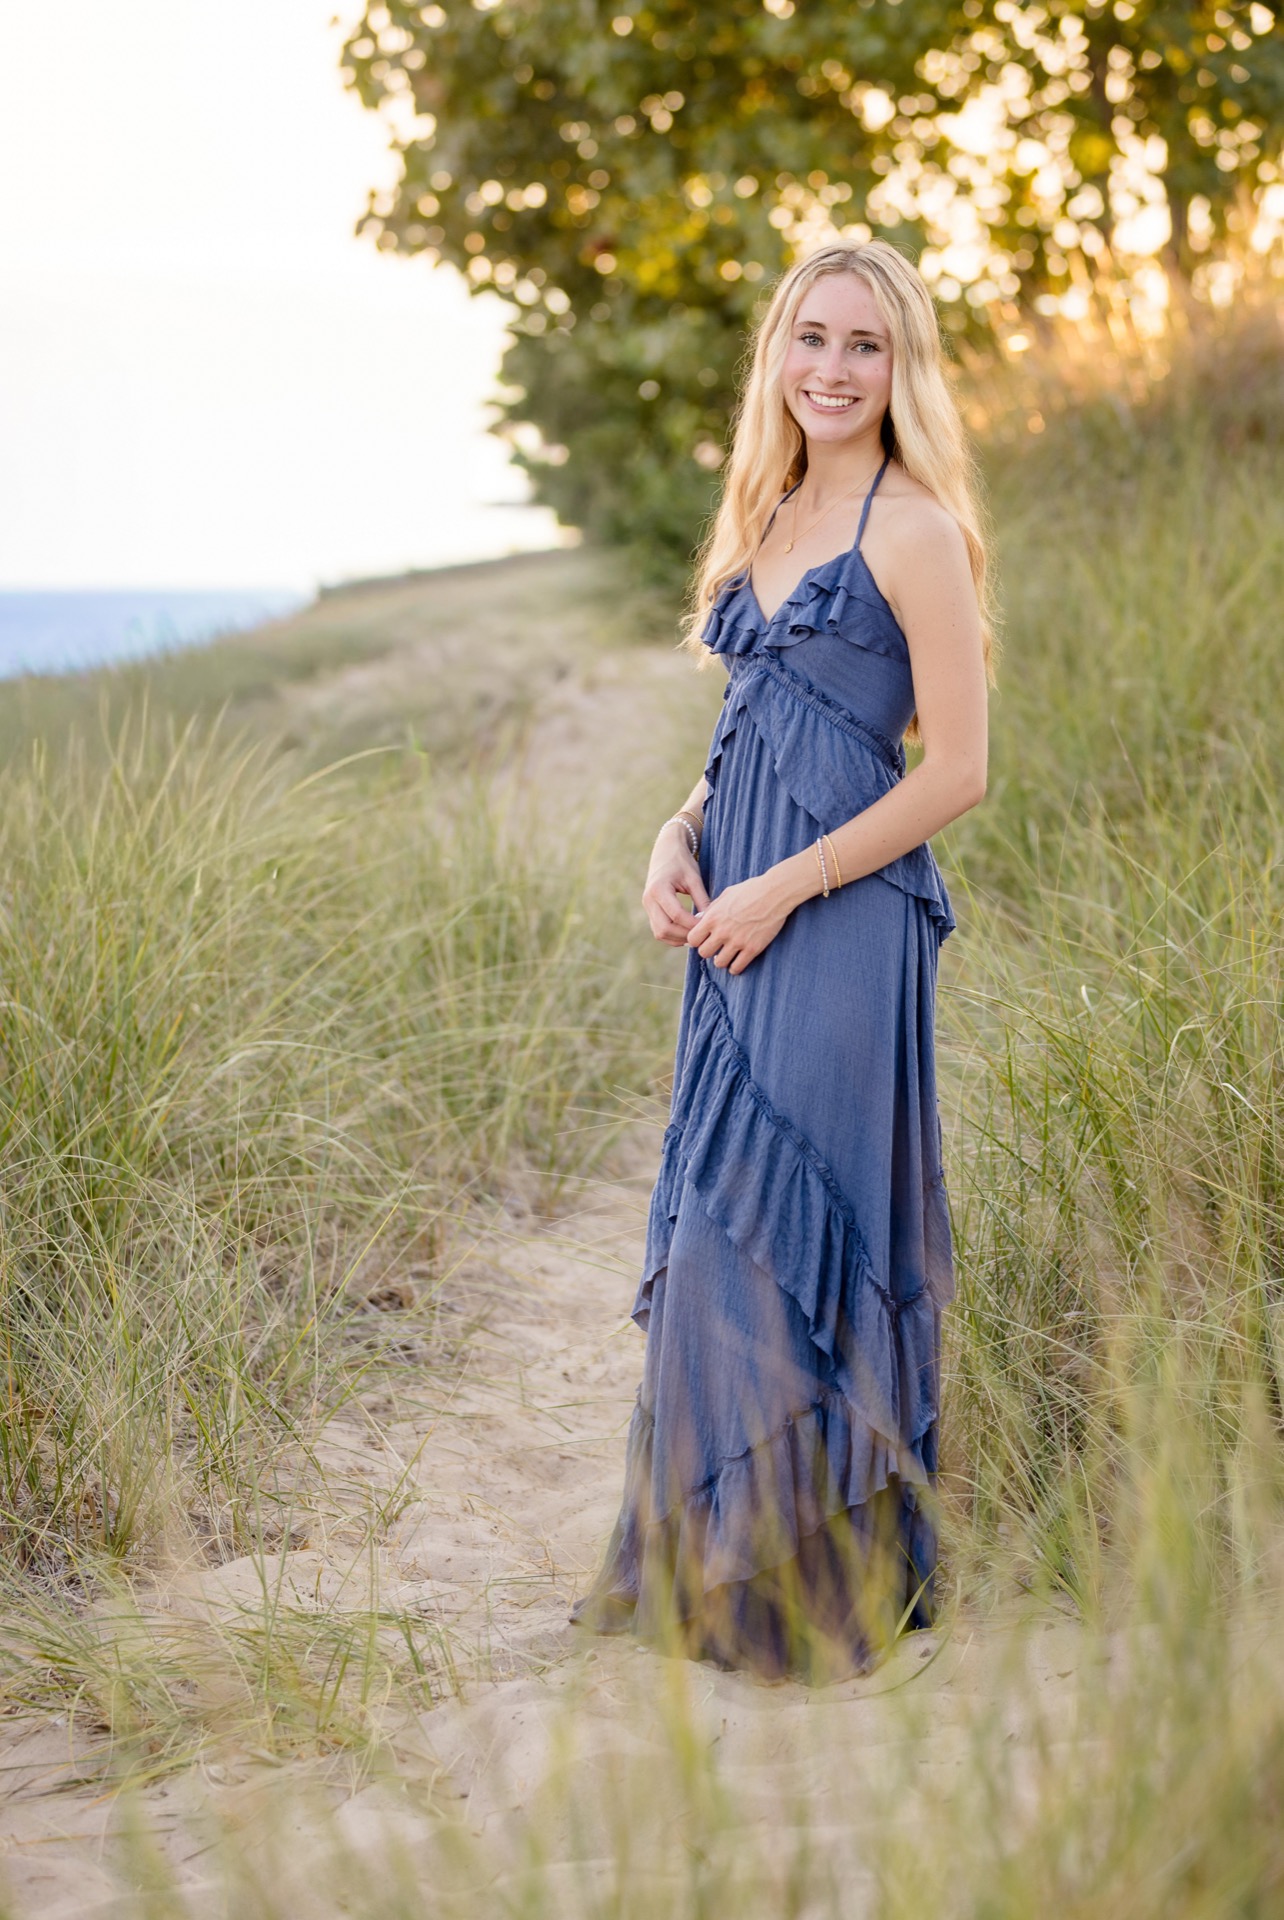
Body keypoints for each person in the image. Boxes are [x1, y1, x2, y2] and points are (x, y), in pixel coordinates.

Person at [571, 240, 995, 1684]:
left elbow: (960, 773)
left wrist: (788, 884)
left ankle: (812, 1598)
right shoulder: (770, 506)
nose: (831, 367)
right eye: (809, 337)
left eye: (865, 345)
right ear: (777, 356)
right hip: (735, 908)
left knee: (787, 1232)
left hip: (842, 916)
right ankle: (706, 1576)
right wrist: (675, 837)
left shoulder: (916, 528)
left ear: (902, 368)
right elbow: (752, 725)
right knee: (708, 1225)